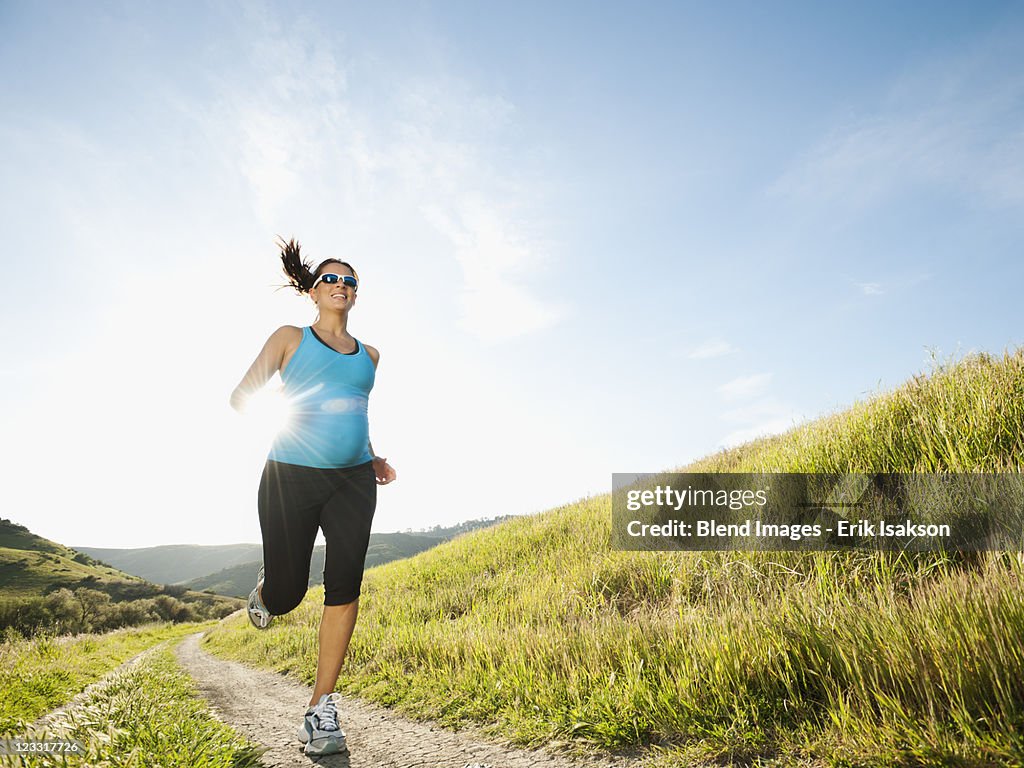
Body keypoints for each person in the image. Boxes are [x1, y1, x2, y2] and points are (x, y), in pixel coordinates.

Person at [229, 237, 396, 757]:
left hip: (351, 482)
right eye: (332, 278)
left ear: (355, 295)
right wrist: (290, 405)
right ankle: (267, 594)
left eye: (350, 281)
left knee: (345, 586)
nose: (341, 285)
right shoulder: (289, 338)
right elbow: (242, 397)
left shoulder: (370, 355)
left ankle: (321, 709)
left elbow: (353, 411)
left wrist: (371, 456)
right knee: (289, 592)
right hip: (289, 475)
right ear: (313, 291)